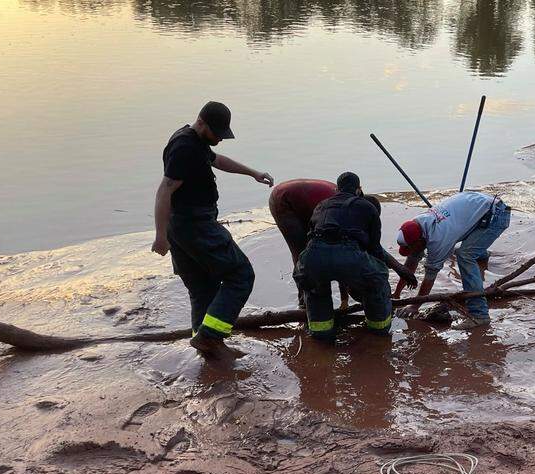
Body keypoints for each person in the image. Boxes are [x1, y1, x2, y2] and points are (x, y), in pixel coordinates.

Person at [150, 101, 274, 358]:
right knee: (241, 274)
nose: (219, 138)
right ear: (201, 122)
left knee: (202, 288)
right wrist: (160, 236)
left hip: (183, 225)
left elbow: (217, 160)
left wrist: (252, 173)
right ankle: (210, 338)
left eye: (222, 133)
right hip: (195, 225)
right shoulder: (185, 147)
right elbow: (164, 190)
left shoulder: (193, 141)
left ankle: (205, 344)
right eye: (216, 133)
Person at [293, 172, 417, 341]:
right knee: (378, 277)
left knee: (315, 289)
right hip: (348, 255)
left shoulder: (321, 205)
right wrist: (397, 270)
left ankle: (321, 334)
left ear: (337, 189)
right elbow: (375, 249)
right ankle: (378, 329)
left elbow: (310, 239)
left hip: (312, 258)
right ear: (359, 189)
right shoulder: (367, 207)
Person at [393, 191, 511, 329]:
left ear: (420, 240)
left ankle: (480, 315)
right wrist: (397, 293)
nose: (411, 252)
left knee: (465, 256)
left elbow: (430, 275)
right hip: (479, 209)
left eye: (412, 248)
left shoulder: (439, 238)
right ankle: (480, 252)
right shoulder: (418, 223)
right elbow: (411, 261)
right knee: (464, 247)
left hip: (496, 215)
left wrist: (414, 306)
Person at [267, 178, 341, 307]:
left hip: (302, 201)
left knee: (315, 248)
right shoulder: (341, 209)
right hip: (284, 201)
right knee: (302, 252)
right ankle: (304, 298)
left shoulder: (346, 201)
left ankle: (310, 292)